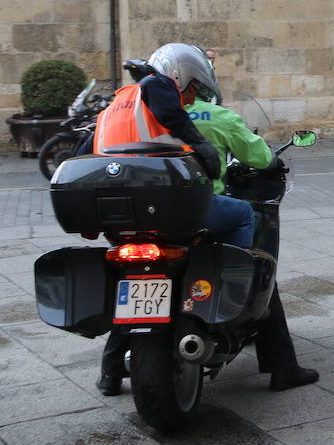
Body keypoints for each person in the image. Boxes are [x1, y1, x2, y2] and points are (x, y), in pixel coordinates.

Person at [95, 44, 317, 396]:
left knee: (136, 287)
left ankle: (109, 372)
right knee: (257, 264)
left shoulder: (123, 107)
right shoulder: (207, 114)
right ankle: (257, 326)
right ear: (186, 81)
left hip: (129, 214)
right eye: (196, 85)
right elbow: (258, 156)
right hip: (190, 209)